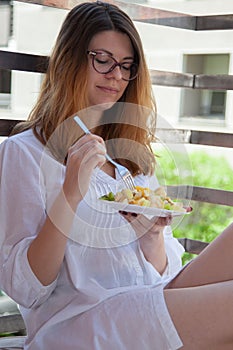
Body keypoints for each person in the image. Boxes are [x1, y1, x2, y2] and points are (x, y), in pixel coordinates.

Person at [0, 2, 233, 349]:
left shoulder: (132, 158)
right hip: (83, 321)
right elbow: (26, 288)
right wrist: (70, 193)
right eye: (103, 60)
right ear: (70, 60)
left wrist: (151, 237)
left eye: (126, 66)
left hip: (147, 299)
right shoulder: (24, 152)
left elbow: (165, 272)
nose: (117, 76)